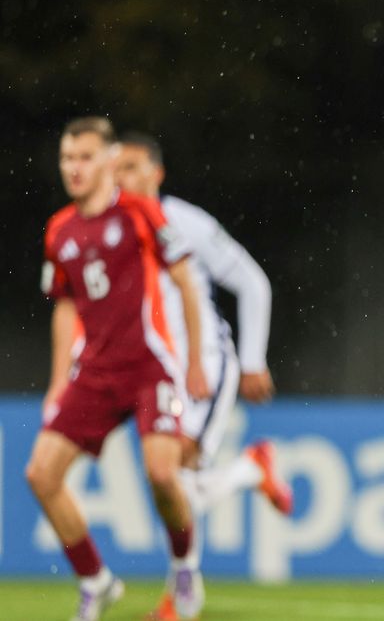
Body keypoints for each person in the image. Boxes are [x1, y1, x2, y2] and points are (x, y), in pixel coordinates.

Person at [26, 116, 210, 621]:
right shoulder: (59, 229)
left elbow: (186, 284)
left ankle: (185, 565)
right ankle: (97, 581)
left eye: (85, 157)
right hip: (97, 373)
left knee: (160, 473)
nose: (74, 169)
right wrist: (59, 381)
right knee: (41, 474)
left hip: (150, 365)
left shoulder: (140, 214)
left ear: (108, 161)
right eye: (67, 159)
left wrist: (194, 361)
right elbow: (64, 307)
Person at [113, 132, 292, 621]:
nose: (120, 178)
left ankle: (181, 598)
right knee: (170, 483)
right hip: (153, 372)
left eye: (130, 168)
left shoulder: (186, 223)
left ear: (156, 173)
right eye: (116, 169)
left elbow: (252, 281)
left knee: (171, 475)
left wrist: (252, 358)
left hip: (204, 364)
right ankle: (252, 469)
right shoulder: (110, 229)